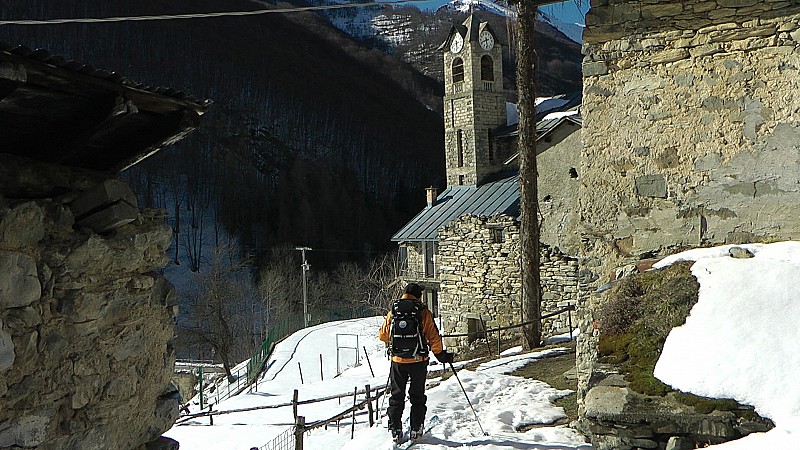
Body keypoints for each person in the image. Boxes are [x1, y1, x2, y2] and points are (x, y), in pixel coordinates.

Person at [378, 283, 453, 442]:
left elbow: (383, 336)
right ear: (419, 296)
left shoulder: (394, 311)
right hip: (418, 361)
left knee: (397, 395)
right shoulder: (423, 311)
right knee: (417, 396)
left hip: (398, 361)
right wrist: (440, 355)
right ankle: (416, 428)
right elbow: (433, 337)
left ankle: (395, 429)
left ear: (404, 294)